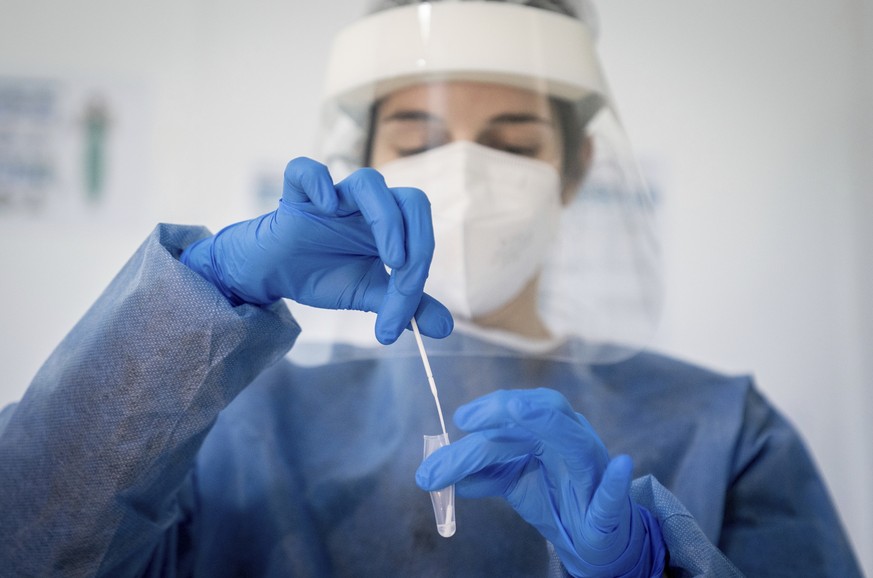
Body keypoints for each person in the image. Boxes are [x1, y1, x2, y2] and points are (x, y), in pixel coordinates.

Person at [0, 1, 863, 576]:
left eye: (512, 142)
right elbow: (25, 543)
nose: (463, 173)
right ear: (366, 166)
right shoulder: (238, 427)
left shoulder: (725, 433)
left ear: (576, 167)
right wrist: (203, 292)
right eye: (417, 140)